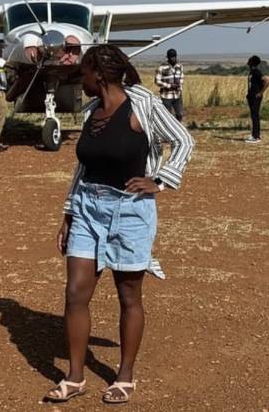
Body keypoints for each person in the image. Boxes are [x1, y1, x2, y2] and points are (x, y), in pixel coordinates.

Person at [44, 44, 194, 405]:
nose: (81, 79)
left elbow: (185, 141)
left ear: (100, 74)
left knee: (129, 295)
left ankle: (125, 375)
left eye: (84, 72)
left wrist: (158, 181)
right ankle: (76, 376)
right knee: (76, 292)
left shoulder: (142, 106)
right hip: (86, 210)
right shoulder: (91, 112)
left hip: (129, 211)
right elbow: (82, 168)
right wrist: (68, 212)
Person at [154, 48, 185, 122]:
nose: (173, 58)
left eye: (174, 56)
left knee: (180, 114)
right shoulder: (162, 67)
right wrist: (169, 86)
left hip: (177, 95)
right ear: (168, 57)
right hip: (166, 96)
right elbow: (157, 81)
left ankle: (178, 128)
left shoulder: (179, 66)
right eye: (171, 57)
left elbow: (182, 77)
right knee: (168, 116)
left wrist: (179, 84)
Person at [246, 55, 269, 143]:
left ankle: (256, 136)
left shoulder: (256, 72)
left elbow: (267, 82)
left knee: (255, 116)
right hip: (251, 96)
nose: (248, 61)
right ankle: (254, 135)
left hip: (256, 97)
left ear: (252, 62)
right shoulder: (251, 72)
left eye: (250, 60)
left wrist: (260, 93)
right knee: (253, 115)